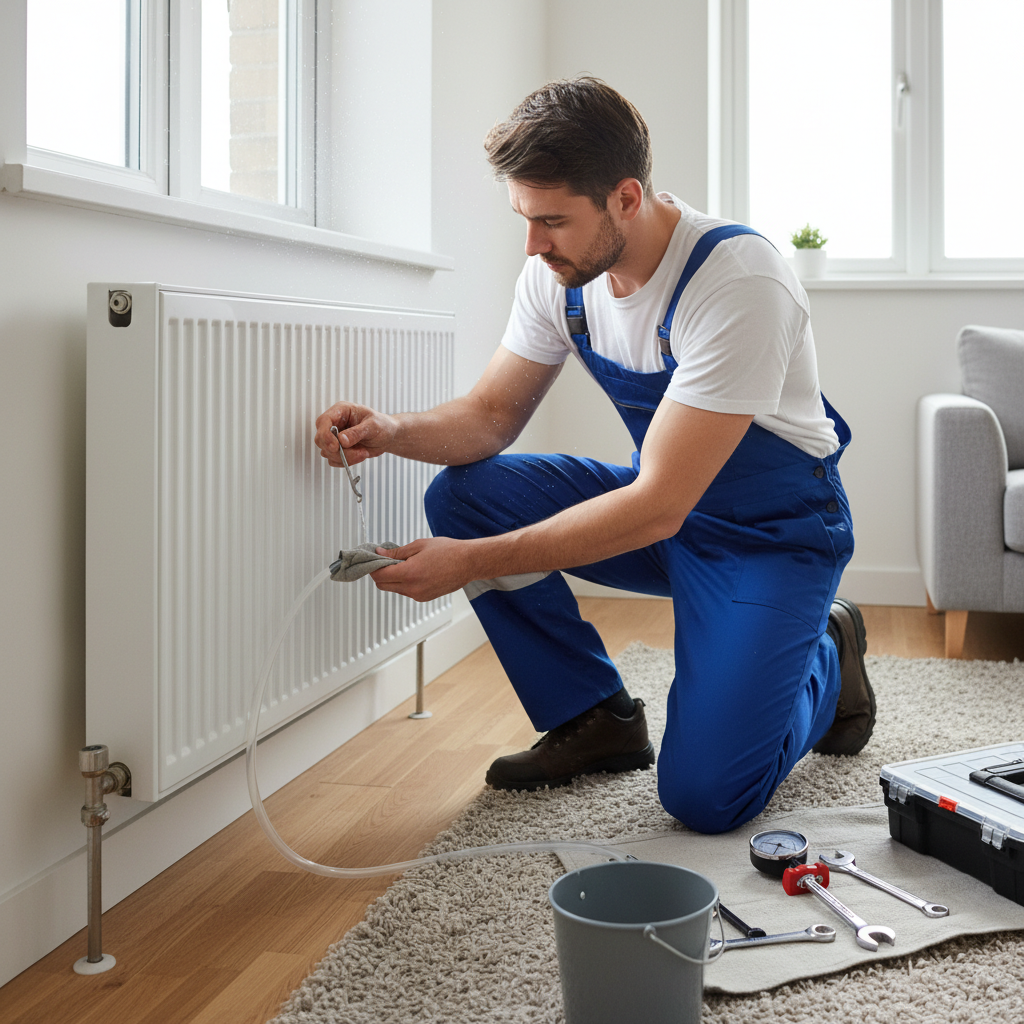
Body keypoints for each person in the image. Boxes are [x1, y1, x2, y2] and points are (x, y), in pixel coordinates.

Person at [314, 77, 874, 835]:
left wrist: (471, 562)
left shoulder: (737, 281)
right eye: (524, 218)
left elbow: (658, 504)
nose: (533, 244)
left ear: (626, 198)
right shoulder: (563, 278)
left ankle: (829, 652)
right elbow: (488, 419)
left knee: (707, 797)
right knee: (465, 496)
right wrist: (391, 430)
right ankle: (595, 718)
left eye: (552, 221)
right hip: (668, 514)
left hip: (769, 536)